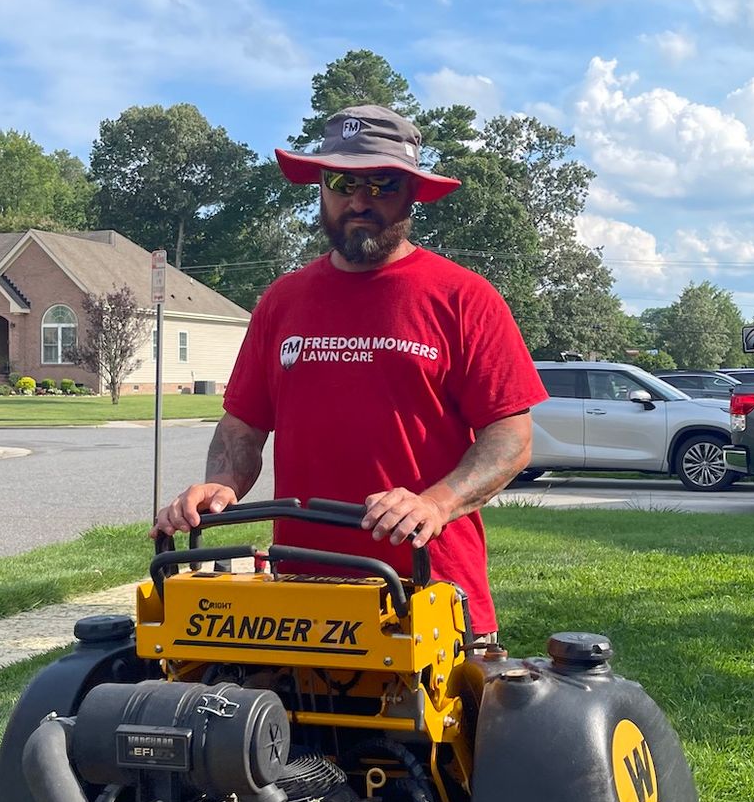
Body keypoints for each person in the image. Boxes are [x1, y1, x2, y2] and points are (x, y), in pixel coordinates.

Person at [153, 104, 546, 639]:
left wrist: (436, 502)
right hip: (299, 603)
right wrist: (221, 485)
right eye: (342, 181)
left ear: (411, 193)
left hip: (430, 599)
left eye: (382, 184)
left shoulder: (464, 298)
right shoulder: (283, 301)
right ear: (321, 187)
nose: (360, 201)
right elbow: (243, 426)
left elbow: (512, 436)